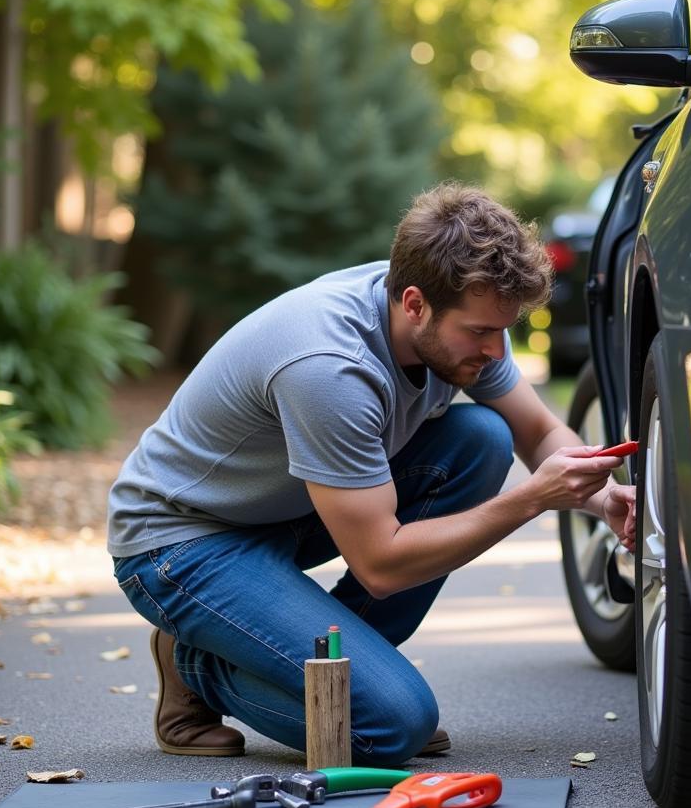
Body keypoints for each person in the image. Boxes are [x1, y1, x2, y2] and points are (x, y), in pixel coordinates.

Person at [108, 182, 636, 765]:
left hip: (285, 511)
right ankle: (198, 664)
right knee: (392, 726)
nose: (494, 350)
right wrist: (531, 500)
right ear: (414, 304)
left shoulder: (458, 313)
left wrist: (604, 497)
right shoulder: (330, 367)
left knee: (484, 438)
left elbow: (536, 432)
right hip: (183, 544)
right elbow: (381, 564)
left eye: (501, 330)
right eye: (481, 332)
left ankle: (333, 669)